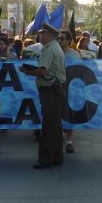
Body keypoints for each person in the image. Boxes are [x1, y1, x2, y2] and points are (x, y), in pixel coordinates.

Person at [19, 22, 66, 169]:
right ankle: (56, 157)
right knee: (55, 126)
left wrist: (28, 71)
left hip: (50, 90)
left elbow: (43, 71)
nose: (40, 35)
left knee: (48, 127)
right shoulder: (56, 48)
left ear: (49, 35)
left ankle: (46, 159)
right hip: (56, 90)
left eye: (42, 33)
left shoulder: (48, 49)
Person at [58, 30, 80, 153]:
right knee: (58, 114)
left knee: (69, 114)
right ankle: (59, 138)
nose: (59, 41)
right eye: (59, 38)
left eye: (62, 39)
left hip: (71, 88)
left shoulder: (74, 55)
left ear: (68, 41)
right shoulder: (54, 53)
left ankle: (70, 141)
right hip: (56, 87)